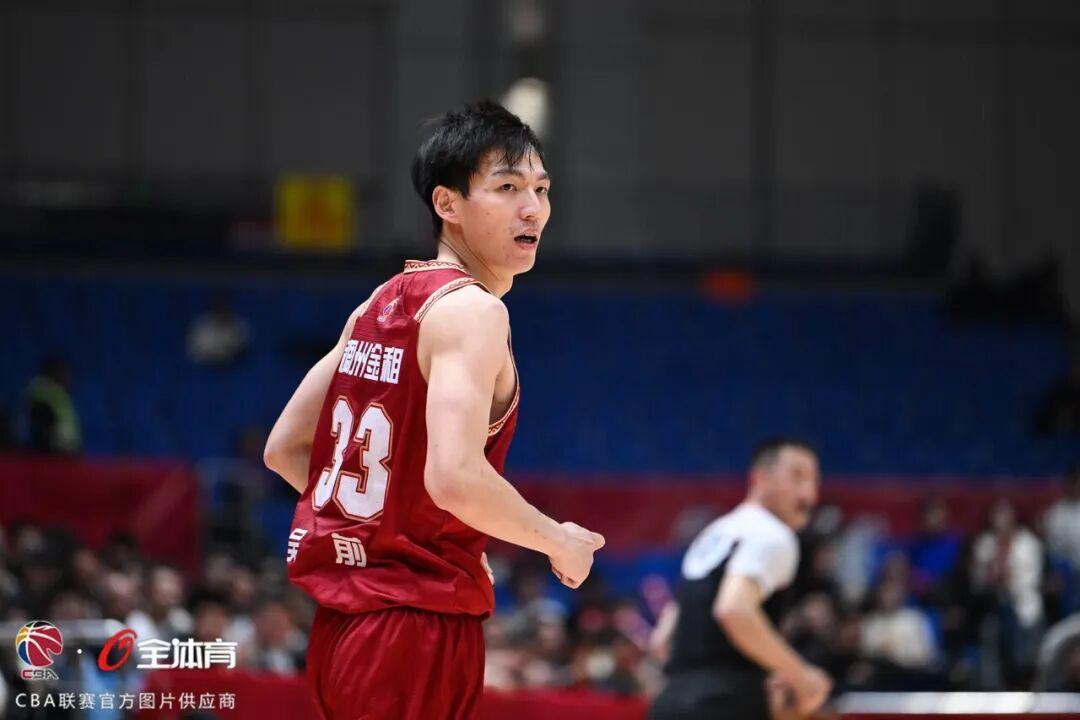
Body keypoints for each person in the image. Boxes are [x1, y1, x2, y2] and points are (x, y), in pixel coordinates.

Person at [263, 100, 604, 720]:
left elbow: (285, 448)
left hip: (342, 629)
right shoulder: (474, 312)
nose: (533, 208)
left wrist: (402, 534)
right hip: (411, 632)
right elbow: (454, 478)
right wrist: (559, 543)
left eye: (541, 188)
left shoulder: (379, 302)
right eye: (507, 188)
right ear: (447, 204)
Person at [649, 439, 831, 720]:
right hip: (724, 706)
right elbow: (734, 609)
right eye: (797, 477)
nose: (808, 493)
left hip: (669, 703)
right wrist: (800, 676)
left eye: (813, 481)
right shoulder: (773, 534)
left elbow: (662, 641)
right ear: (760, 478)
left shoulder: (714, 533)